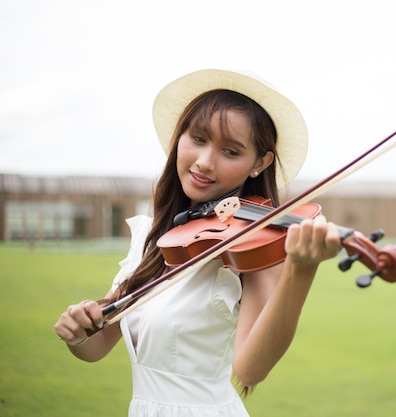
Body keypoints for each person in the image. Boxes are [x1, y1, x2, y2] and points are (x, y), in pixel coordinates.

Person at [54, 69, 342, 416]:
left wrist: (301, 269)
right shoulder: (154, 237)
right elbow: (98, 347)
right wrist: (78, 333)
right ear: (180, 137)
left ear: (259, 163)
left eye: (231, 151)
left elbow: (251, 370)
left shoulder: (253, 248)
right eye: (198, 139)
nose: (205, 162)